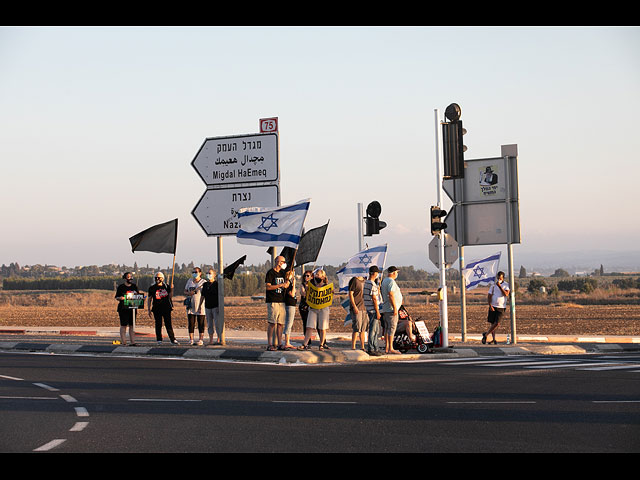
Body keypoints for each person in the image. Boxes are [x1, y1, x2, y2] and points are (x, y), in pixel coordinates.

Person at [299, 269, 331, 351]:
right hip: (313, 308)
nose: (317, 276)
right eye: (316, 274)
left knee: (322, 328)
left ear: (323, 277)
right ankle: (305, 344)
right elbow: (305, 295)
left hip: (323, 308)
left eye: (318, 275)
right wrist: (306, 288)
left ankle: (322, 344)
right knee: (309, 326)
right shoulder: (311, 285)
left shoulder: (326, 286)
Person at [265, 255, 289, 351]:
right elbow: (268, 287)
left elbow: (287, 281)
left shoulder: (283, 273)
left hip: (281, 301)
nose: (284, 263)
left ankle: (280, 343)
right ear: (278, 262)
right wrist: (280, 285)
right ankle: (270, 344)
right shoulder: (270, 273)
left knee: (280, 323)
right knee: (272, 323)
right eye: (283, 262)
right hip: (273, 301)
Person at [147, 272, 178, 345]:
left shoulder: (166, 286)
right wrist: (149, 309)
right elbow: (149, 299)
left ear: (162, 278)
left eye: (159, 277)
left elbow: (170, 296)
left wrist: (172, 289)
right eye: (156, 278)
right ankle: (159, 339)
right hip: (156, 308)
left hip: (166, 308)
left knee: (168, 324)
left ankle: (172, 339)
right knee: (158, 324)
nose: (157, 279)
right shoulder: (152, 288)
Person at [483, 271, 510, 345]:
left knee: (497, 323)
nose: (499, 279)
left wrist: (500, 286)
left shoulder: (506, 285)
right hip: (493, 306)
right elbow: (489, 295)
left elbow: (506, 294)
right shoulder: (493, 285)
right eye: (498, 278)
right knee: (492, 323)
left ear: (503, 278)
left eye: (500, 278)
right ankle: (493, 339)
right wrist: (490, 305)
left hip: (501, 307)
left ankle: (486, 334)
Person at [198, 268, 224, 346]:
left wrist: (220, 306)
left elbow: (220, 296)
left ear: (214, 275)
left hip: (215, 306)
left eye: (210, 273)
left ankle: (219, 339)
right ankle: (211, 340)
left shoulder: (216, 284)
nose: (208, 275)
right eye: (207, 273)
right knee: (209, 324)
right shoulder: (205, 284)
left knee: (217, 323)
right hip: (207, 306)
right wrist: (199, 305)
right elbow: (202, 296)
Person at [380, 266, 403, 354]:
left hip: (386, 308)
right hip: (391, 308)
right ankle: (390, 348)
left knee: (387, 328)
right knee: (392, 328)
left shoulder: (385, 280)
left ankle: (387, 347)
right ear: (393, 273)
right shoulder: (391, 281)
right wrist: (395, 308)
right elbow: (391, 295)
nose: (397, 274)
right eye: (397, 272)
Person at [115, 272, 140, 346]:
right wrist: (121, 298)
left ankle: (132, 341)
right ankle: (124, 341)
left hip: (132, 308)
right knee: (123, 325)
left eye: (131, 277)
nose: (130, 278)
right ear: (125, 278)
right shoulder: (121, 287)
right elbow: (116, 297)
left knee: (132, 325)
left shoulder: (134, 286)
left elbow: (138, 295)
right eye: (128, 277)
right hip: (123, 308)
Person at [363, 266, 383, 356]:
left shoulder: (367, 283)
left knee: (375, 330)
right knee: (373, 330)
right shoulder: (371, 284)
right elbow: (374, 299)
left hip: (369, 309)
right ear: (374, 274)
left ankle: (375, 347)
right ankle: (371, 348)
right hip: (373, 310)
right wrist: (377, 311)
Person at [184, 266, 206, 345]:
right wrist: (189, 293)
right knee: (191, 323)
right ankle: (191, 339)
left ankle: (201, 339)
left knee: (201, 323)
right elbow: (185, 291)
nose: (194, 274)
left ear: (200, 273)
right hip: (191, 305)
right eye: (193, 272)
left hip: (200, 305)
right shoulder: (190, 281)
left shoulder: (203, 282)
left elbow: (205, 293)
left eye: (196, 272)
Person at [348, 274, 367, 350]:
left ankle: (362, 346)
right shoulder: (354, 280)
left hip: (364, 307)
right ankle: (353, 346)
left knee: (363, 328)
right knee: (356, 327)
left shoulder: (365, 281)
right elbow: (351, 294)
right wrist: (354, 306)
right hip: (357, 306)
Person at [282, 269, 297, 350]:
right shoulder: (288, 283)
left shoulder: (289, 282)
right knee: (289, 322)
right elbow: (292, 294)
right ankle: (287, 342)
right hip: (289, 304)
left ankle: (287, 341)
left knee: (290, 323)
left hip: (292, 304)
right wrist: (294, 284)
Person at [298, 270, 313, 348]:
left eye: (308, 276)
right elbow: (303, 293)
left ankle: (323, 342)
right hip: (304, 306)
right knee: (306, 324)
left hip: (312, 306)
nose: (306, 277)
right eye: (305, 276)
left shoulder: (314, 285)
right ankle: (308, 342)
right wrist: (307, 289)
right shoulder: (302, 285)